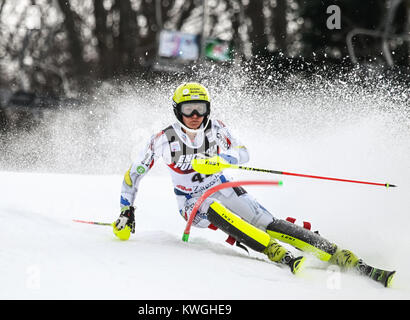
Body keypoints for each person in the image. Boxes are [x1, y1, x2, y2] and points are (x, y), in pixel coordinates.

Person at [113, 82, 395, 286]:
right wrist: (127, 210)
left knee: (264, 219)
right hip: (191, 201)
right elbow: (132, 175)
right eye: (189, 110)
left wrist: (221, 159)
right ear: (178, 111)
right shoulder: (163, 140)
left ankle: (337, 253)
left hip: (220, 184)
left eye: (200, 109)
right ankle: (277, 253)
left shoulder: (217, 128)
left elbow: (244, 152)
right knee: (211, 207)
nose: (195, 116)